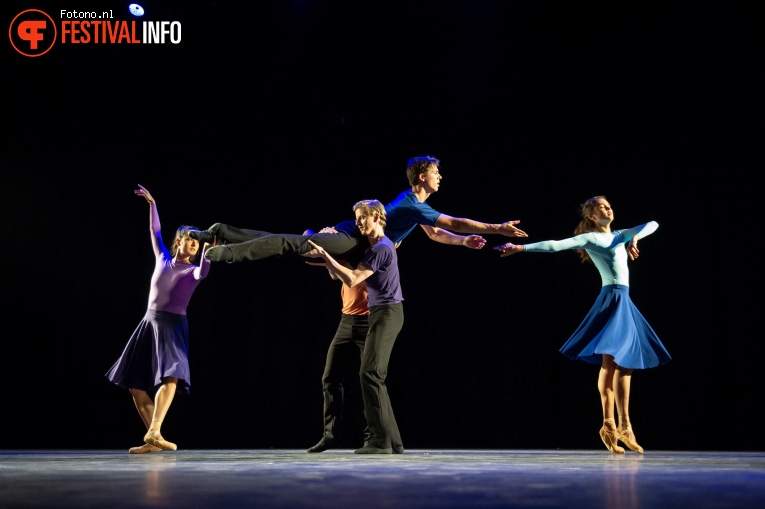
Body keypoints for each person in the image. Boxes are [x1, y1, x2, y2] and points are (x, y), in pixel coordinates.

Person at [494, 196, 670, 454]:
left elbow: (653, 223)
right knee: (610, 363)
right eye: (602, 207)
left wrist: (635, 238)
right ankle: (608, 424)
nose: (608, 208)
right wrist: (521, 248)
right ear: (591, 216)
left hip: (624, 300)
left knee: (627, 364)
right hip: (611, 299)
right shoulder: (592, 239)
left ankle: (625, 426)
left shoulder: (620, 235)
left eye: (609, 205)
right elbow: (556, 245)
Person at [189, 155, 528, 265]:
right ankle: (220, 253)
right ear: (422, 176)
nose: (441, 177)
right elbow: (453, 221)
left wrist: (463, 243)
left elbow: (438, 232)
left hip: (355, 242)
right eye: (437, 172)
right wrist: (496, 227)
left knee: (286, 240)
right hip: (350, 238)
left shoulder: (416, 208)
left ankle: (219, 230)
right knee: (289, 244)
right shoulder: (412, 203)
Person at [105, 185, 214, 454]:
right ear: (178, 241)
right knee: (133, 383)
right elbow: (154, 232)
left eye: (197, 242)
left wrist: (212, 247)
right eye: (190, 239)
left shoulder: (193, 271)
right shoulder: (162, 258)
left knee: (172, 376)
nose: (193, 244)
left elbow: (205, 267)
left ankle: (153, 429)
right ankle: (154, 439)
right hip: (148, 324)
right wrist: (152, 204)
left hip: (173, 326)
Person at [303, 199, 404, 454]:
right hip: (355, 317)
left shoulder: (381, 247)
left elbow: (353, 278)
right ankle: (390, 441)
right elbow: (338, 274)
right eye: (357, 218)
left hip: (382, 313)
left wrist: (325, 252)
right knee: (339, 375)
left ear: (378, 218)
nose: (358, 223)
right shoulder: (365, 246)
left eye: (362, 218)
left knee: (370, 374)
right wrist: (325, 245)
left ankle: (379, 440)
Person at [304, 251, 372, 454]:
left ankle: (372, 438)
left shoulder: (376, 251)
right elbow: (335, 275)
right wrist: (328, 257)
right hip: (346, 320)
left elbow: (352, 280)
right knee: (330, 377)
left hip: (369, 321)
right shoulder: (351, 250)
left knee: (369, 380)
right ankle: (331, 435)